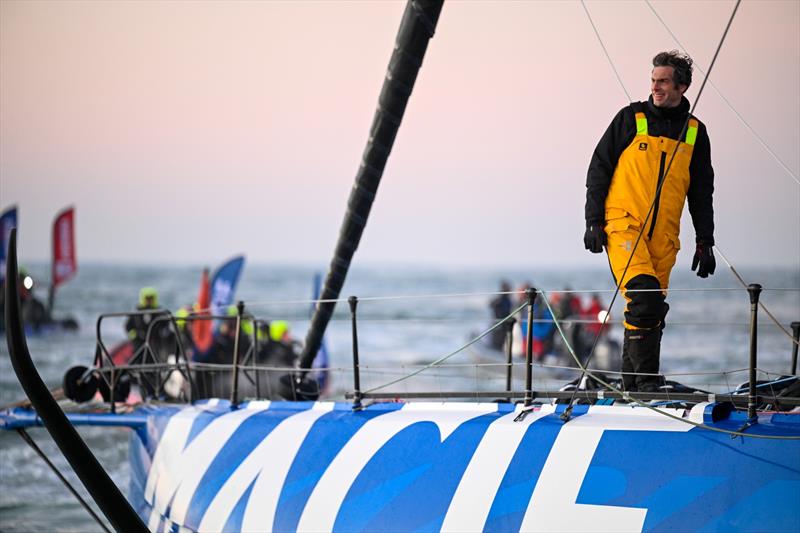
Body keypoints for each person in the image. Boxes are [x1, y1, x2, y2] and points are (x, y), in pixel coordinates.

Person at [584, 50, 716, 392]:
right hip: (623, 224)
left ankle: (631, 388)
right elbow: (599, 168)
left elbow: (702, 192)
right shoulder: (631, 118)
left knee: (649, 309)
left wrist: (706, 240)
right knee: (645, 298)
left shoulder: (695, 133)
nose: (655, 87)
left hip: (664, 237)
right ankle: (645, 385)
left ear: (682, 86)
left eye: (663, 81)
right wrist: (593, 221)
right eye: (653, 80)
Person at [488, 280, 513, 350]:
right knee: (496, 343)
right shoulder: (500, 299)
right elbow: (491, 305)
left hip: (505, 325)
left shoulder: (508, 300)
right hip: (498, 325)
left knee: (502, 342)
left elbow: (509, 311)